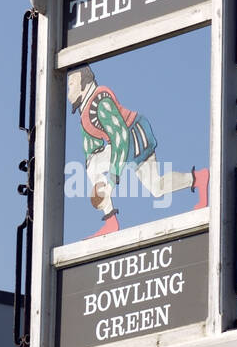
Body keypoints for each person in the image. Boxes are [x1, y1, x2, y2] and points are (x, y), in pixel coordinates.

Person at [66, 64, 209, 238]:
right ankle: (110, 220)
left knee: (157, 188)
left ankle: (197, 179)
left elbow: (120, 136)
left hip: (135, 136)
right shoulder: (84, 113)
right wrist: (98, 185)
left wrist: (110, 182)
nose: (69, 90)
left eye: (71, 83)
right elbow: (91, 151)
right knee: (93, 165)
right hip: (122, 141)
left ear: (84, 82)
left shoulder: (100, 103)